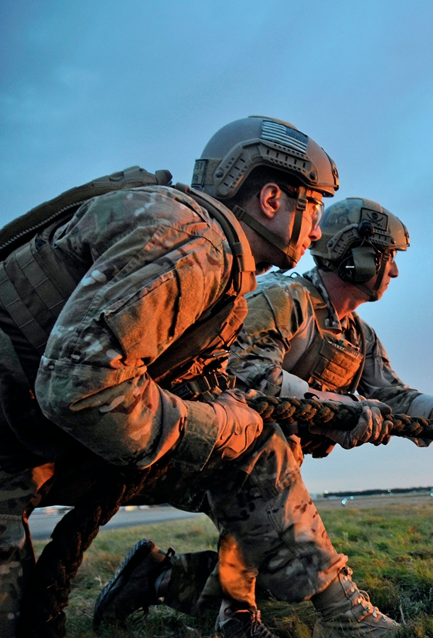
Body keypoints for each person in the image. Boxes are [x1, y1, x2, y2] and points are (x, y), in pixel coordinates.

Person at [0, 116, 389, 638]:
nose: (318, 230)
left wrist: (283, 416)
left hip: (22, 446)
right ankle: (332, 614)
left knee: (253, 443)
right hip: (25, 448)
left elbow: (202, 382)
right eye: (313, 207)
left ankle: (329, 611)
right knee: (247, 442)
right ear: (272, 199)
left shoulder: (211, 256)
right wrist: (216, 425)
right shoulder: (197, 243)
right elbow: (79, 387)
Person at [98, 196, 433, 635]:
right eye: (389, 258)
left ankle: (159, 579)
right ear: (358, 255)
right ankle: (342, 612)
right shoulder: (282, 298)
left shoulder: (357, 336)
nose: (395, 272)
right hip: (195, 451)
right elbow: (241, 373)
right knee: (275, 506)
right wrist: (338, 407)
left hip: (259, 468)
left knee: (276, 565)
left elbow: (393, 397)